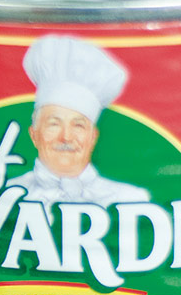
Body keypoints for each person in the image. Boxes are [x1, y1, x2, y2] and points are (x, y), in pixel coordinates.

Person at [10, 35, 150, 210]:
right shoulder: (6, 194)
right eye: (54, 124)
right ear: (34, 134)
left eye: (78, 125)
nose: (66, 137)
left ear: (93, 137)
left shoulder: (130, 199)